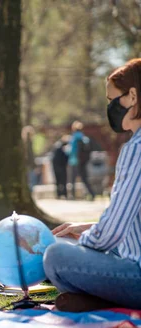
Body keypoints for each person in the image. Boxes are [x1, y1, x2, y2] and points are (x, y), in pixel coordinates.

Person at [43, 58, 141, 312]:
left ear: (132, 96)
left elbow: (113, 233)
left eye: (112, 100)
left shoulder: (136, 149)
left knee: (56, 255)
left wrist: (85, 241)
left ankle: (100, 299)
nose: (110, 107)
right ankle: (96, 299)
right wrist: (89, 227)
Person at [67, 121, 95, 200]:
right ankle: (92, 194)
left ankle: (71, 196)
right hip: (83, 161)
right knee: (84, 178)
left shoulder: (74, 137)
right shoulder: (83, 137)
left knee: (72, 179)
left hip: (74, 160)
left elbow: (71, 150)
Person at [51, 135, 69, 199]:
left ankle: (59, 194)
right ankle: (64, 194)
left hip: (55, 166)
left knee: (58, 181)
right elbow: (66, 157)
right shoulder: (64, 146)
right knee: (63, 181)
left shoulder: (57, 145)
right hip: (61, 166)